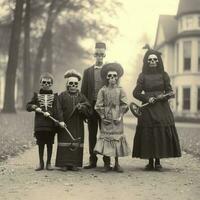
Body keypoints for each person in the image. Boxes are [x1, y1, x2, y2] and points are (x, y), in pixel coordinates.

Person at [132, 47, 181, 171]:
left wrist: (163, 96)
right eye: (150, 60)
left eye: (154, 59)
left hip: (161, 108)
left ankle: (158, 162)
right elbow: (136, 93)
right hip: (147, 109)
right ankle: (150, 161)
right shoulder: (142, 76)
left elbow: (169, 91)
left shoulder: (164, 75)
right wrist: (148, 98)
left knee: (159, 132)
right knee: (149, 133)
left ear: (158, 61)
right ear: (146, 62)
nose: (152, 61)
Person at [94, 63, 130, 172]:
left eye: (115, 76)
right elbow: (98, 105)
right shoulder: (103, 90)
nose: (112, 78)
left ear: (117, 77)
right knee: (106, 139)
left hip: (117, 117)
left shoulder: (120, 90)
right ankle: (106, 163)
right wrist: (102, 116)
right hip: (106, 117)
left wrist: (120, 115)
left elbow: (125, 104)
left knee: (117, 139)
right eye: (110, 76)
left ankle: (117, 163)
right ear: (106, 77)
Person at [81, 42, 111, 169]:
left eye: (101, 54)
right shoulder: (87, 72)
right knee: (92, 134)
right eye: (97, 54)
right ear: (94, 55)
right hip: (91, 107)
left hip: (105, 108)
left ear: (104, 55)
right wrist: (84, 110)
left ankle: (107, 161)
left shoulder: (109, 72)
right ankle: (92, 160)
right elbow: (83, 92)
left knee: (105, 134)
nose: (99, 57)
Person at [55, 69, 92, 171]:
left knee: (76, 142)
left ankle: (74, 163)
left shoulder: (81, 96)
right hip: (65, 124)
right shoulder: (62, 96)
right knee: (64, 142)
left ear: (78, 85)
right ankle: (63, 164)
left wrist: (82, 107)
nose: (73, 86)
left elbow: (89, 108)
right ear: (67, 84)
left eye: (75, 84)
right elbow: (58, 109)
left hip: (77, 124)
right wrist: (61, 120)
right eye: (71, 84)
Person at [26, 73, 64, 171]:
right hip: (40, 125)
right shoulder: (36, 96)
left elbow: (57, 110)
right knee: (41, 144)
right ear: (40, 83)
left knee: (49, 143)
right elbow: (28, 106)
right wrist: (34, 107)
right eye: (44, 82)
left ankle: (48, 163)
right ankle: (41, 163)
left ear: (51, 84)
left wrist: (52, 115)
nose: (46, 84)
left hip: (50, 125)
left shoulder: (55, 97)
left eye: (48, 83)